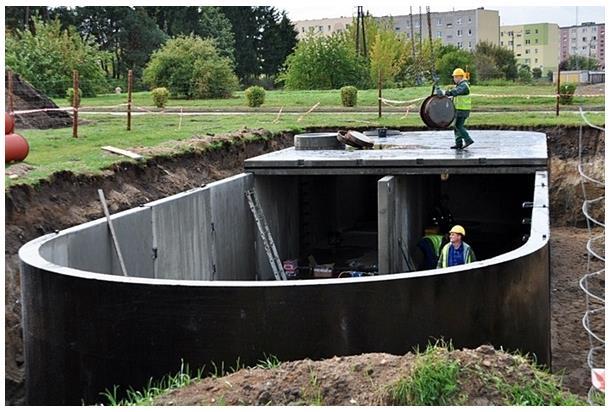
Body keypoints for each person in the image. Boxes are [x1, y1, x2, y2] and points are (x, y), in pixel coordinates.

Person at [436, 68, 474, 150]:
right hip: (459, 109)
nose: (454, 79)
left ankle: (468, 140)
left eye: (455, 77)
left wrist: (444, 93)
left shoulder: (464, 86)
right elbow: (455, 94)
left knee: (458, 126)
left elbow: (456, 92)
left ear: (460, 77)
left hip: (463, 110)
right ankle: (458, 144)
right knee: (456, 126)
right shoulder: (461, 85)